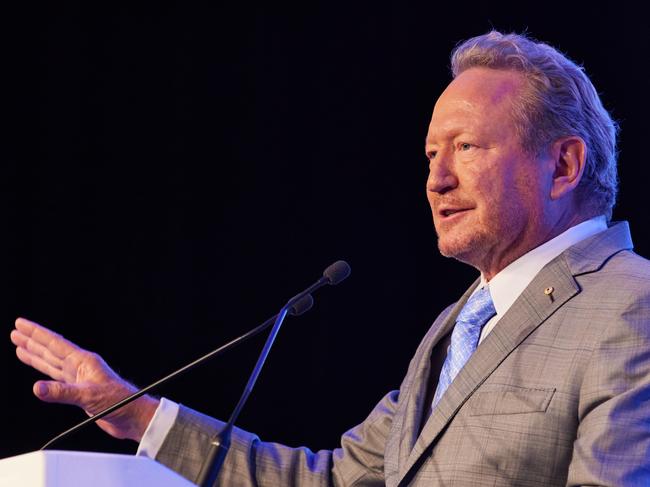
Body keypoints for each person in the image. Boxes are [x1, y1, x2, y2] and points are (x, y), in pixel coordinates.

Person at [11, 30, 650, 486]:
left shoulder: (632, 305)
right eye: (431, 155)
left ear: (563, 165)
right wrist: (139, 415)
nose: (437, 181)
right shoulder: (459, 326)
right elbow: (335, 480)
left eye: (466, 147)